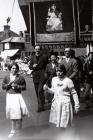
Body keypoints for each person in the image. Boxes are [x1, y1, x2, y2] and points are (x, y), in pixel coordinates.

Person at [2, 62, 29, 138]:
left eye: (16, 68)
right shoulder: (7, 77)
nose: (14, 70)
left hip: (17, 97)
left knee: (18, 115)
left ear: (17, 69)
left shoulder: (20, 77)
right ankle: (13, 130)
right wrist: (8, 85)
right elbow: (3, 86)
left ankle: (20, 130)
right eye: (13, 68)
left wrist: (16, 86)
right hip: (10, 97)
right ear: (10, 68)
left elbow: (24, 87)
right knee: (12, 115)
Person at [29, 45, 49, 112]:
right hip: (35, 76)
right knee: (37, 91)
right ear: (34, 50)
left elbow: (47, 66)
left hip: (42, 75)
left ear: (40, 50)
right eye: (36, 49)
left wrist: (46, 73)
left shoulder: (45, 57)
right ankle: (41, 102)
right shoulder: (32, 57)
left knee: (40, 90)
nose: (37, 50)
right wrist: (32, 66)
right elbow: (30, 66)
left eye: (38, 49)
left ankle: (40, 107)